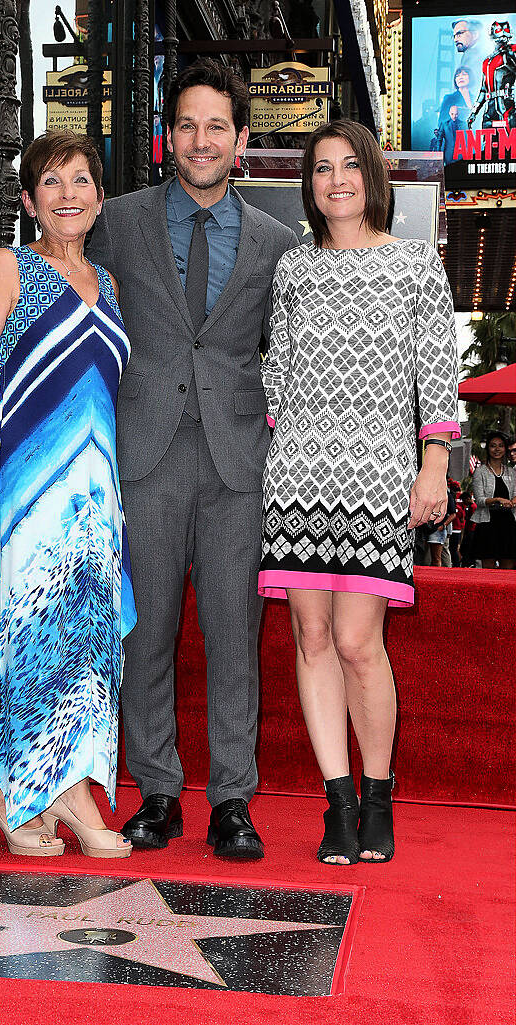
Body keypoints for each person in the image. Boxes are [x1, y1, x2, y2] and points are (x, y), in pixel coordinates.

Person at [87, 59, 296, 860]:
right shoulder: (117, 222)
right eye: (187, 126)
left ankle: (232, 800)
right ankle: (158, 792)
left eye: (217, 127)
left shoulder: (280, 243)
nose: (200, 140)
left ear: (240, 141)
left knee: (233, 635)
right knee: (147, 633)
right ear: (165, 137)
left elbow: (295, 355)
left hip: (239, 462)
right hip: (143, 454)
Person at [259, 119, 460, 865]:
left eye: (348, 166)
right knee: (310, 639)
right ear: (307, 186)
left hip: (377, 475)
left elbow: (433, 369)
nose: (335, 179)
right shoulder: (294, 269)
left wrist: (431, 461)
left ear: (372, 178)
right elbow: (275, 369)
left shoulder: (415, 265)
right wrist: (279, 441)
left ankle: (378, 796)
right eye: (320, 169)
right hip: (298, 475)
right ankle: (337, 804)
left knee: (355, 641)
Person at [0, 131, 136, 858]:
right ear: (29, 199)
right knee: (29, 642)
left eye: (82, 181)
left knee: (87, 653)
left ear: (98, 197)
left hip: (94, 506)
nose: (68, 194)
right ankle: (12, 791)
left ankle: (68, 790)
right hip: (27, 497)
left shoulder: (110, 284)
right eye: (52, 182)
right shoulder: (9, 267)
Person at [470, 431, 516, 569]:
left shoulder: (511, 472)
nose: (497, 449)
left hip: (508, 523)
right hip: (487, 524)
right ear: (488, 448)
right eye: (493, 446)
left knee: (508, 567)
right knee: (488, 568)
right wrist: (497, 499)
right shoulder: (480, 472)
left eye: (501, 446)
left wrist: (512, 502)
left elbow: (515, 494)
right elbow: (479, 500)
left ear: (505, 448)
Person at [426, 481, 456, 566]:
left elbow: (453, 514)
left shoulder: (446, 495)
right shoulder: (429, 493)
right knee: (430, 558)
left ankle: (438, 575)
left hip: (437, 528)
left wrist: (444, 525)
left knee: (436, 558)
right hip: (427, 528)